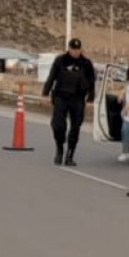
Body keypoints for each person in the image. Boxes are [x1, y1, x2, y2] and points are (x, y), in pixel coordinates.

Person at [42, 38, 98, 167]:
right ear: (69, 48)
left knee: (75, 127)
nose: (75, 51)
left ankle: (70, 155)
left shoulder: (86, 63)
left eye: (78, 49)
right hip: (61, 97)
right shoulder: (60, 60)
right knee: (58, 125)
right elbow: (51, 78)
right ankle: (60, 148)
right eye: (73, 49)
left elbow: (91, 83)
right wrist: (45, 93)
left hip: (77, 98)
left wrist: (90, 99)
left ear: (80, 49)